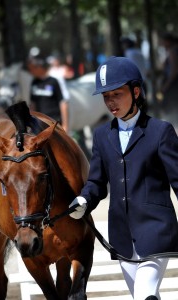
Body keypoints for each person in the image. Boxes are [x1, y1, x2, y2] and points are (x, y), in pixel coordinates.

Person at [69, 56, 178, 300]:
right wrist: (84, 200)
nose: (110, 102)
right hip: (122, 234)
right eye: (106, 96)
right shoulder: (101, 136)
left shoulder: (161, 132)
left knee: (143, 295)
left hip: (156, 230)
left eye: (116, 94)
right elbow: (96, 182)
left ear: (136, 91)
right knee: (147, 296)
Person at [27, 54, 69, 133]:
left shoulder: (54, 81)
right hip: (40, 124)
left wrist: (65, 126)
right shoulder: (34, 83)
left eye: (32, 69)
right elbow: (32, 105)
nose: (30, 72)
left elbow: (63, 103)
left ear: (39, 67)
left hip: (54, 124)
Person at [159, 32, 178, 125]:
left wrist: (165, 86)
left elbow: (174, 71)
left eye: (163, 42)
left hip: (173, 85)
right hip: (173, 84)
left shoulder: (173, 51)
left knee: (171, 108)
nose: (162, 44)